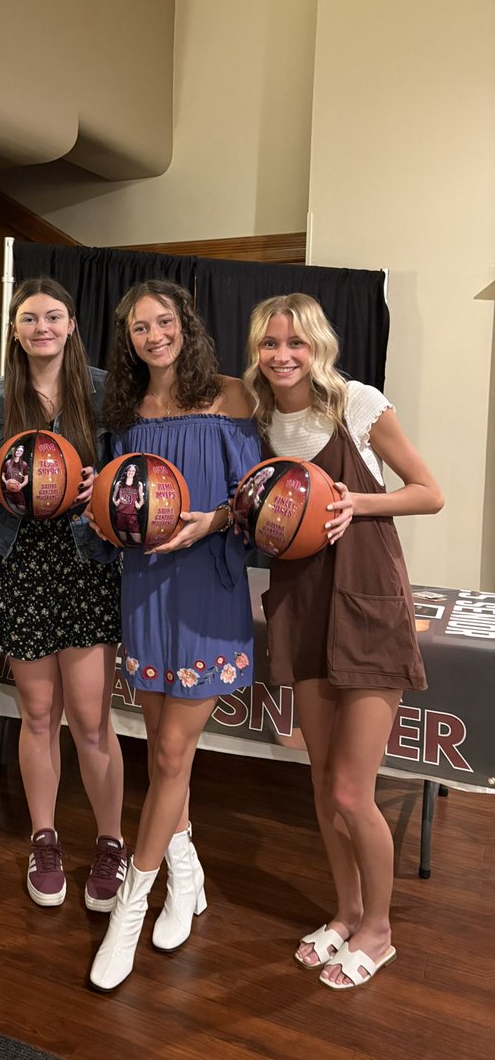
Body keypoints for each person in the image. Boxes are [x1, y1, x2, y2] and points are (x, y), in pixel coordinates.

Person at [243, 293, 443, 990]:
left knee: (356, 793)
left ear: (318, 346)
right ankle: (346, 913)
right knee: (323, 785)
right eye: (270, 344)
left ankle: (379, 932)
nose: (282, 355)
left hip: (365, 603)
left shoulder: (358, 405)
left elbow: (428, 491)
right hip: (302, 603)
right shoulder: (261, 417)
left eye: (295, 343)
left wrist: (358, 502)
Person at [88, 279, 260, 990]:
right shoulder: (123, 409)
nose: (153, 334)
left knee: (167, 751)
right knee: (168, 760)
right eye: (138, 327)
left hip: (206, 591)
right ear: (125, 338)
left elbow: (256, 498)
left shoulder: (231, 395)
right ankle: (186, 877)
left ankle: (131, 905)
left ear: (185, 325)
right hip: (144, 589)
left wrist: (210, 521)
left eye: (164, 321)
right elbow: (113, 497)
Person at [0, 278, 125, 913]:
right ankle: (45, 838)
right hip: (23, 566)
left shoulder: (102, 388)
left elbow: (132, 476)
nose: (41, 326)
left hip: (87, 563)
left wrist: (103, 483)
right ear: (15, 330)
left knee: (92, 720)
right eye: (29, 318)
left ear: (71, 324)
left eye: (53, 316)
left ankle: (112, 842)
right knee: (37, 715)